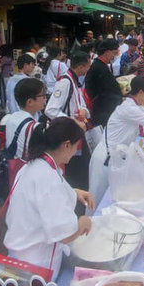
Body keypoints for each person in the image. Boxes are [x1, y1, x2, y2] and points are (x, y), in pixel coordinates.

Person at [4, 117, 94, 279]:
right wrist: (83, 222)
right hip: (36, 265)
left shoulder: (34, 165)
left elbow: (43, 196)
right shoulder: (47, 177)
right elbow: (66, 234)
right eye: (76, 147)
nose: (75, 152)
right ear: (66, 145)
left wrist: (74, 192)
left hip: (22, 253)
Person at [89, 76, 144, 208]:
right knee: (100, 200)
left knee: (113, 197)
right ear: (141, 93)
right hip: (105, 158)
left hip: (115, 155)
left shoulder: (133, 104)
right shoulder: (129, 109)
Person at [45, 51, 91, 190]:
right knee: (75, 172)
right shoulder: (65, 82)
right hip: (69, 135)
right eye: (88, 65)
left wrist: (84, 111)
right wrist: (73, 121)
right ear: (81, 66)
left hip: (77, 133)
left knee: (82, 169)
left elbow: (82, 104)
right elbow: (50, 110)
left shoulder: (74, 81)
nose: (89, 68)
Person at [2, 77, 46, 161]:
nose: (45, 99)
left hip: (13, 167)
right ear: (30, 102)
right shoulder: (35, 127)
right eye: (43, 96)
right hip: (28, 169)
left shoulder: (11, 118)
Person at [84, 40, 122, 128]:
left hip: (104, 108)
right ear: (107, 52)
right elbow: (107, 90)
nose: (115, 56)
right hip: (102, 110)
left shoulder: (101, 65)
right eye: (114, 53)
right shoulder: (99, 68)